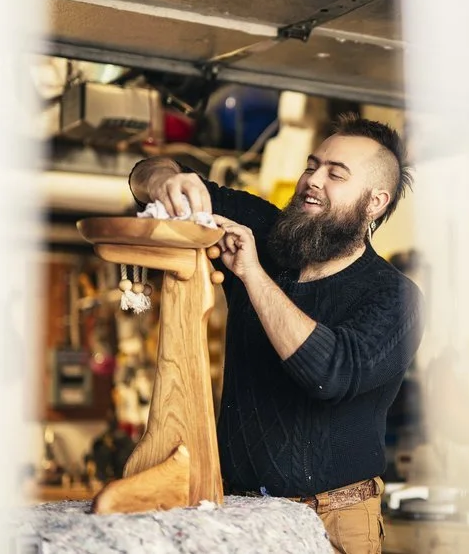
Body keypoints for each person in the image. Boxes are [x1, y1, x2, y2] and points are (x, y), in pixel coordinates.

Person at [127, 113, 423, 554]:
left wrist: (252, 274)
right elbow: (145, 175)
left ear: (375, 201)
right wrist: (166, 181)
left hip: (336, 521)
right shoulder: (267, 231)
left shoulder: (395, 296)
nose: (313, 180)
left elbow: (331, 372)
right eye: (312, 165)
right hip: (238, 513)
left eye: (335, 174)